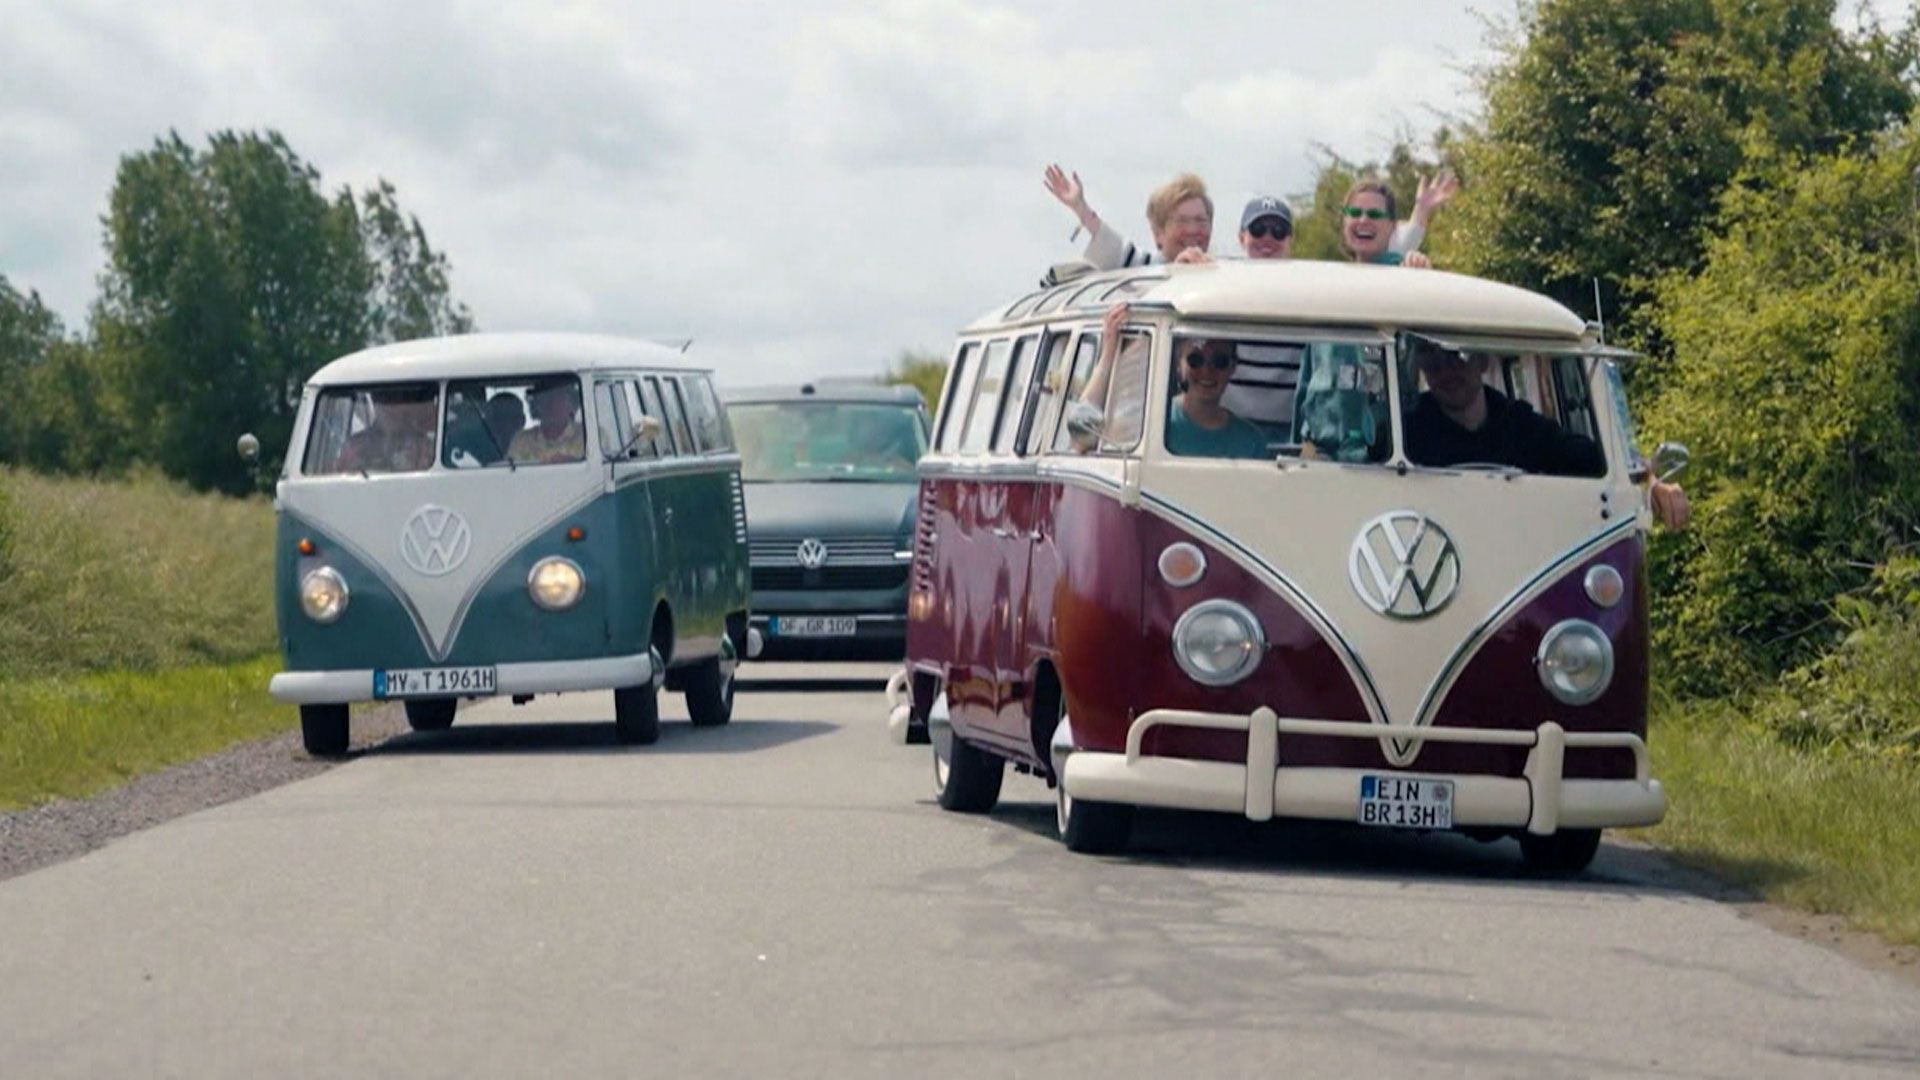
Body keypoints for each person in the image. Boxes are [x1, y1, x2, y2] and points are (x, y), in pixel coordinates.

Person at [1404, 340, 1690, 527]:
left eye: (1458, 358)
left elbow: (1596, 460)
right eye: (1433, 365)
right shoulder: (1408, 432)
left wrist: (1650, 482)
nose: (1447, 374)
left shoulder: (1519, 423)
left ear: (1482, 362)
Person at [1078, 303, 1267, 459]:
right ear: (1178, 364)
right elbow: (1080, 441)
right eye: (1195, 360)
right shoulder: (1147, 425)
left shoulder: (1251, 441)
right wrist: (1109, 353)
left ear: (1232, 367)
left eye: (1220, 362)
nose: (1207, 371)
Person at [336, 391, 436, 474]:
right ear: (375, 403)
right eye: (384, 400)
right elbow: (340, 479)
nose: (390, 408)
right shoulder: (353, 446)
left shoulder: (423, 446)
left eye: (396, 402)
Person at [510, 382, 585, 464]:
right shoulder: (521, 440)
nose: (551, 405)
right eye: (545, 398)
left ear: (572, 403)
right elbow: (509, 469)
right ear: (536, 404)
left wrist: (574, 463)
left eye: (558, 399)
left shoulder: (587, 435)